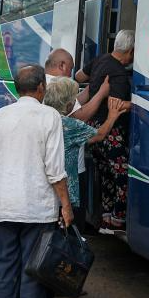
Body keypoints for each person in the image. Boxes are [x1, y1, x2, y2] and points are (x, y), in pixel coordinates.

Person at [0, 64, 71, 298]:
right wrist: (65, 205)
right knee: (33, 267)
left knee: (5, 263)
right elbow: (55, 169)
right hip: (37, 207)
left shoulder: (0, 116)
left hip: (5, 204)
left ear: (19, 88)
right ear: (41, 87)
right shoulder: (49, 116)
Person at [43, 76, 130, 210]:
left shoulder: (40, 119)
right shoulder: (70, 125)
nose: (75, 101)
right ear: (68, 105)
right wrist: (111, 116)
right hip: (64, 195)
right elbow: (99, 135)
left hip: (42, 189)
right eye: (74, 99)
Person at [86, 30, 134, 233]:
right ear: (130, 51)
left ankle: (106, 218)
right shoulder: (120, 74)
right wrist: (136, 104)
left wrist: (94, 87)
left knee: (106, 174)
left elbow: (79, 76)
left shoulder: (101, 60)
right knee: (122, 174)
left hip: (93, 128)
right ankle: (118, 218)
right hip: (110, 132)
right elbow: (117, 105)